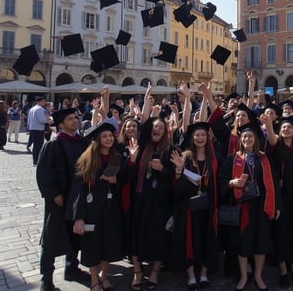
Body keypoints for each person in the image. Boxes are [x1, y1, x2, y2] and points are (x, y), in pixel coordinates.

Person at [129, 89, 179, 291]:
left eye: (160, 127)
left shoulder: (171, 149)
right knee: (136, 233)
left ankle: (155, 271)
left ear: (165, 131)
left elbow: (176, 176)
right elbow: (143, 125)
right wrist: (147, 102)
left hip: (161, 201)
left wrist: (163, 170)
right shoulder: (142, 146)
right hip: (141, 197)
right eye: (154, 127)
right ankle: (137, 271)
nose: (156, 129)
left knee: (159, 236)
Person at [218, 124, 279, 291]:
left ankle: (258, 275)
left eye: (250, 136)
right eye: (244, 136)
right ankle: (244, 276)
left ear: (256, 140)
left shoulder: (264, 159)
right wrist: (232, 182)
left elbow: (274, 183)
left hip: (262, 206)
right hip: (243, 207)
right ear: (240, 140)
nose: (247, 139)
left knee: (261, 242)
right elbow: (222, 180)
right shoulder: (232, 159)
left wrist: (277, 206)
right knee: (243, 242)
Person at [36, 108, 91, 291]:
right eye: (70, 119)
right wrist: (54, 194)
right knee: (51, 239)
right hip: (58, 200)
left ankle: (71, 269)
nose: (75, 121)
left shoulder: (82, 142)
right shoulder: (53, 145)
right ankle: (46, 280)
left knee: (74, 235)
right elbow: (43, 173)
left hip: (77, 197)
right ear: (61, 124)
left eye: (76, 118)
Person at [72, 121, 130, 291]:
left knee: (109, 244)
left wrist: (115, 181)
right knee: (92, 246)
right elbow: (78, 189)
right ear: (97, 139)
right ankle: (94, 280)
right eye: (104, 136)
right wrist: (79, 216)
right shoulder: (87, 159)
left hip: (112, 209)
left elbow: (125, 180)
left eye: (110, 136)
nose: (108, 139)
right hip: (92, 209)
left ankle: (104, 277)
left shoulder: (118, 158)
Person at [170, 121, 221, 291]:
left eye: (203, 135)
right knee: (189, 240)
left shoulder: (215, 157)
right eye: (197, 135)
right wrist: (178, 170)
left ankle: (204, 272)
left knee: (208, 238)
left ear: (208, 137)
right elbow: (175, 187)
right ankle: (191, 274)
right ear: (192, 138)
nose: (200, 138)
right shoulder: (185, 157)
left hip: (209, 206)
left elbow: (220, 181)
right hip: (189, 207)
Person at [269, 117, 293, 288]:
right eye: (283, 127)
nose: (286, 129)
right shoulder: (277, 148)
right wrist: (269, 126)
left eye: (289, 127)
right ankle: (283, 269)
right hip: (281, 195)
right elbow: (271, 139)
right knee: (281, 233)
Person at [28, 96, 49, 165]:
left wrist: (28, 127)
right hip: (39, 129)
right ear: (40, 101)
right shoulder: (40, 109)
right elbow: (41, 120)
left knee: (35, 145)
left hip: (32, 128)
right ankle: (37, 160)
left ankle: (35, 160)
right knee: (39, 145)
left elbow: (29, 119)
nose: (45, 102)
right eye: (44, 101)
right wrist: (49, 120)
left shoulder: (32, 109)